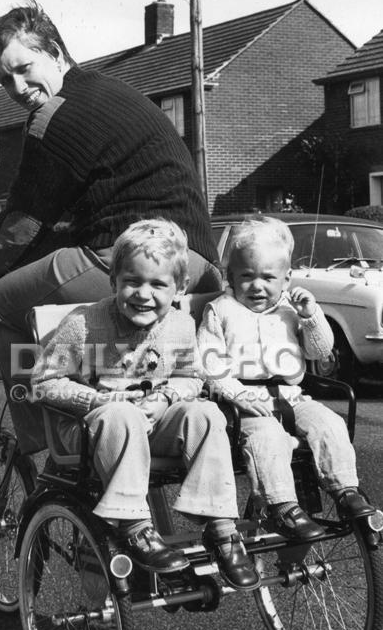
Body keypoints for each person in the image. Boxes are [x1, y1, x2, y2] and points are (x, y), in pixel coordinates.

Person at [0, 0, 221, 455]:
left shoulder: (56, 114)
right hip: (197, 263)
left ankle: (47, 441)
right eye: (3, 79)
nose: (17, 86)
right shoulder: (105, 91)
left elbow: (22, 224)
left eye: (24, 68)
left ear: (54, 50)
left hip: (131, 256)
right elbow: (50, 227)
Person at [30, 219, 259, 588]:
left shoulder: (182, 326)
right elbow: (43, 381)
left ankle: (220, 528)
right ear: (114, 281)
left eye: (157, 284)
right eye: (131, 281)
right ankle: (134, 527)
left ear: (180, 288)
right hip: (95, 431)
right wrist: (95, 399)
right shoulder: (83, 325)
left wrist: (167, 397)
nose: (142, 294)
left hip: (152, 424)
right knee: (120, 414)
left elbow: (192, 377)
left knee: (205, 412)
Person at [197, 216, 374, 539]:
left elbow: (320, 351)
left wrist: (310, 316)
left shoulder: (290, 310)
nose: (257, 285)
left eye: (268, 277)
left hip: (293, 396)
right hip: (244, 404)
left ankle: (346, 490)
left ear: (286, 278)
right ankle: (281, 506)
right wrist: (237, 394)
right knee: (268, 437)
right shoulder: (220, 310)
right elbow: (209, 363)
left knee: (329, 423)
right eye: (246, 276)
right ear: (230, 277)